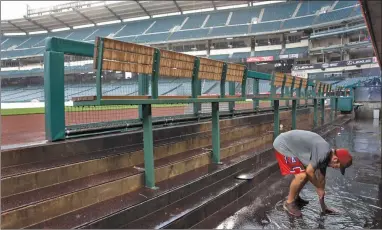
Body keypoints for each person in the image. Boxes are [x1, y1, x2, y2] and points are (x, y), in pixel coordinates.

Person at [273, 129, 353, 217]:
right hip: (283, 144)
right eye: (337, 167)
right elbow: (309, 172)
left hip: (293, 145)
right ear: (335, 159)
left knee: (307, 175)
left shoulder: (327, 158)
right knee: (302, 176)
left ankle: (295, 198)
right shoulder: (324, 153)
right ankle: (289, 203)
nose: (334, 168)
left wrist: (323, 206)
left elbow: (321, 179)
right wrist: (318, 187)